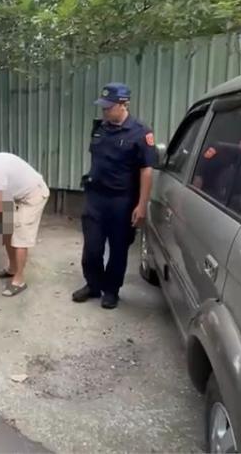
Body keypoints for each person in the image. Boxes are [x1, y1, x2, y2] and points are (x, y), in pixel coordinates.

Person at [73, 82, 156, 309]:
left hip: (122, 201)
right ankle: (93, 285)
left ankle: (111, 291)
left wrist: (142, 205)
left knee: (118, 249)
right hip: (95, 198)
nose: (105, 111)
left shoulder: (141, 132)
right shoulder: (100, 128)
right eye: (103, 107)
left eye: (109, 107)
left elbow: (146, 170)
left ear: (123, 104)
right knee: (92, 248)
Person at [0, 152, 50, 297]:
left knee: (20, 236)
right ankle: (12, 269)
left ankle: (19, 280)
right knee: (6, 231)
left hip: (34, 195)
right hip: (15, 193)